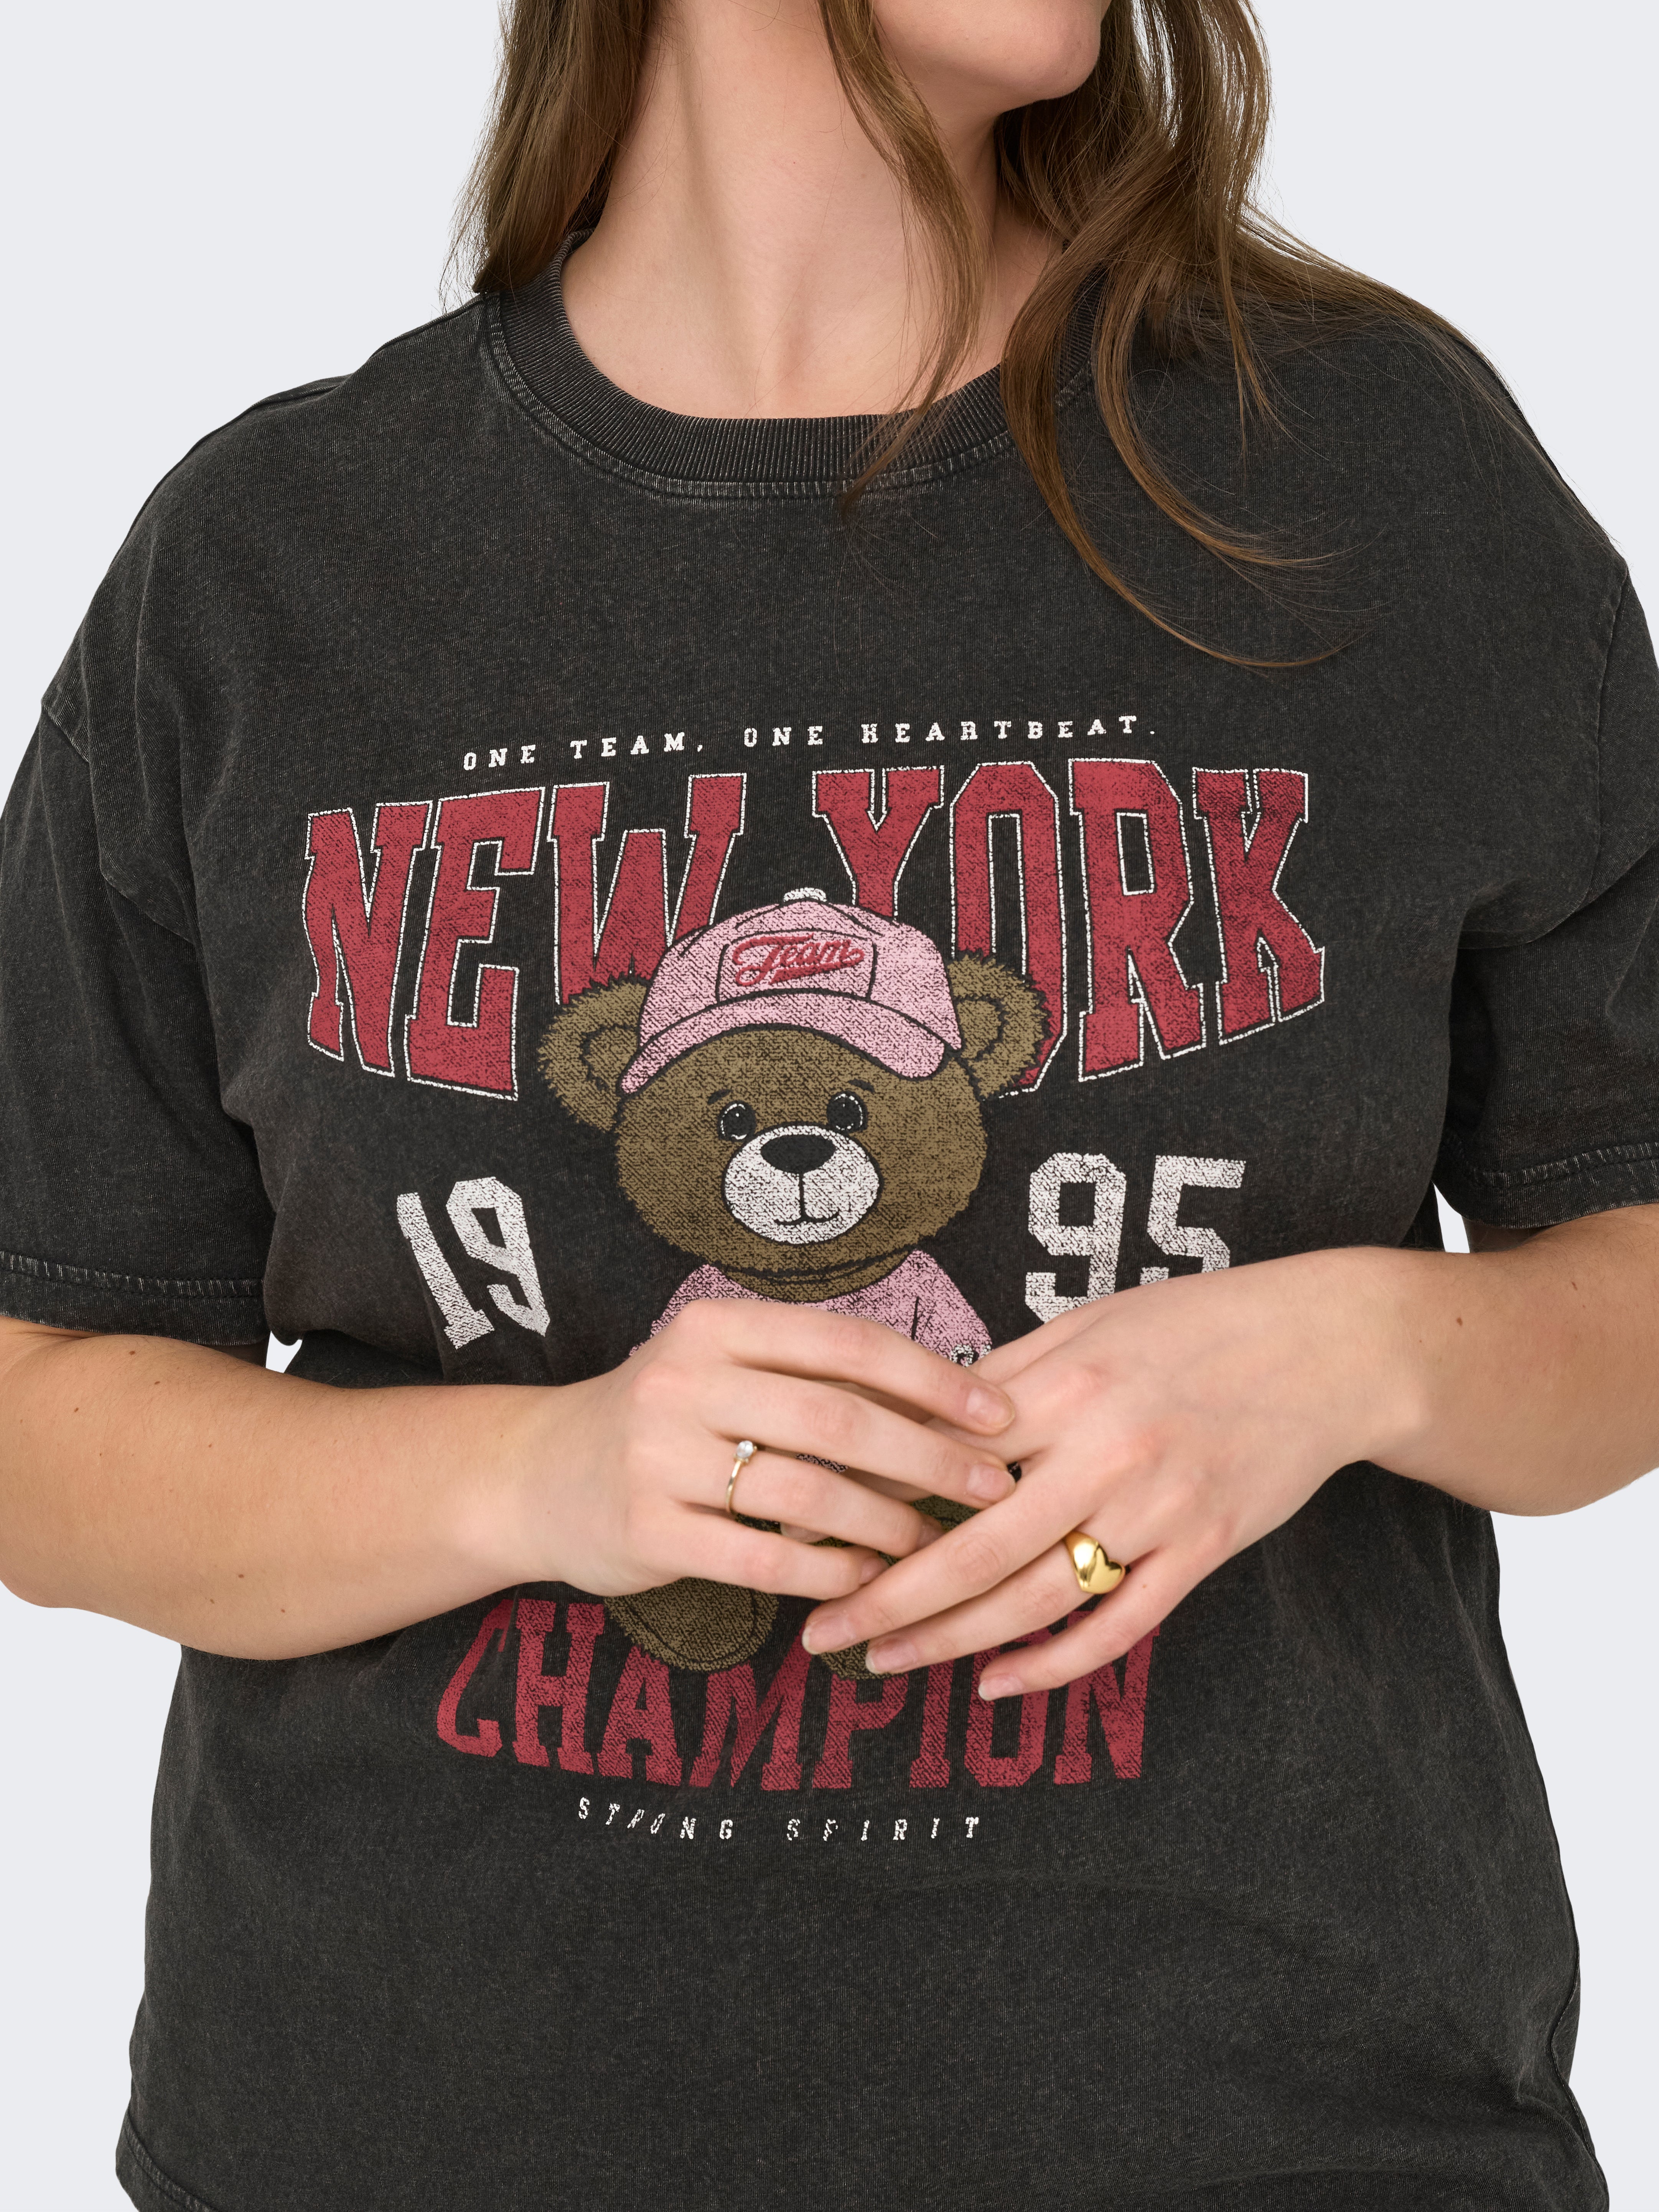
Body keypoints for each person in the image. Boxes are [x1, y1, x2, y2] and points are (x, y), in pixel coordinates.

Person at [1, 1, 1655, 2206]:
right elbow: (40, 1413)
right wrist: (541, 1475)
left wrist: (1362, 1349)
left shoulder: (1364, 481)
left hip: (1275, 2129)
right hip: (419, 2127)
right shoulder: (271, 566)